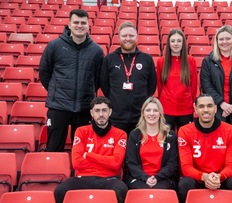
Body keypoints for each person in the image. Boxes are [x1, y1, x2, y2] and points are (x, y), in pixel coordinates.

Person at [39, 9, 104, 152]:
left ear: (88, 25)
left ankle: (79, 175)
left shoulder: (97, 51)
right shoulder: (54, 46)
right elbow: (44, 73)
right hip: (58, 106)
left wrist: (87, 91)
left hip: (84, 107)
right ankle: (54, 175)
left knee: (81, 151)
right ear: (69, 24)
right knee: (54, 149)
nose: (79, 26)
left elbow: (98, 78)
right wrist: (56, 90)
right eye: (76, 22)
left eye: (83, 23)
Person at [54, 96, 128, 203]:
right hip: (83, 178)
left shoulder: (120, 134)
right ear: (91, 113)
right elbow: (76, 163)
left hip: (109, 179)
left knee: (121, 190)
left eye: (104, 110)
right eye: (97, 111)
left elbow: (116, 163)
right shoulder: (81, 131)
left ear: (110, 112)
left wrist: (88, 155)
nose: (101, 114)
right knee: (60, 191)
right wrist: (106, 161)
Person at [177, 94, 232, 203]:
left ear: (215, 108)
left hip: (220, 178)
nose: (205, 110)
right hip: (197, 177)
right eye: (201, 106)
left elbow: (231, 166)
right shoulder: (184, 131)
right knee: (184, 185)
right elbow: (186, 167)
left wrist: (219, 177)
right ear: (195, 109)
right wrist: (204, 177)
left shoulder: (231, 131)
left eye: (209, 106)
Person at [100, 21, 157, 136]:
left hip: (140, 118)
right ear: (119, 37)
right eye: (124, 36)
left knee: (137, 152)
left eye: (131, 36)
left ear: (137, 37)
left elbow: (152, 85)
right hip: (116, 117)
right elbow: (104, 84)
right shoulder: (109, 59)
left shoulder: (146, 59)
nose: (128, 38)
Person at [125, 97, 178, 190]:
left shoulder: (170, 135)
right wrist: (145, 178)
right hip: (139, 178)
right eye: (148, 110)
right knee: (142, 191)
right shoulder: (135, 135)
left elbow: (172, 164)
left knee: (160, 192)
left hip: (163, 178)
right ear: (143, 113)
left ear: (160, 113)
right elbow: (131, 163)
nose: (152, 114)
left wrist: (157, 178)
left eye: (155, 110)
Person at [157, 29, 197, 132]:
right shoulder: (161, 61)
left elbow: (193, 85)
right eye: (173, 41)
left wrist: (191, 103)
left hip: (186, 109)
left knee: (184, 139)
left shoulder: (190, 60)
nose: (176, 44)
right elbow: (160, 85)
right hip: (166, 108)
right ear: (169, 43)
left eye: (179, 41)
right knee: (167, 141)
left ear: (183, 43)